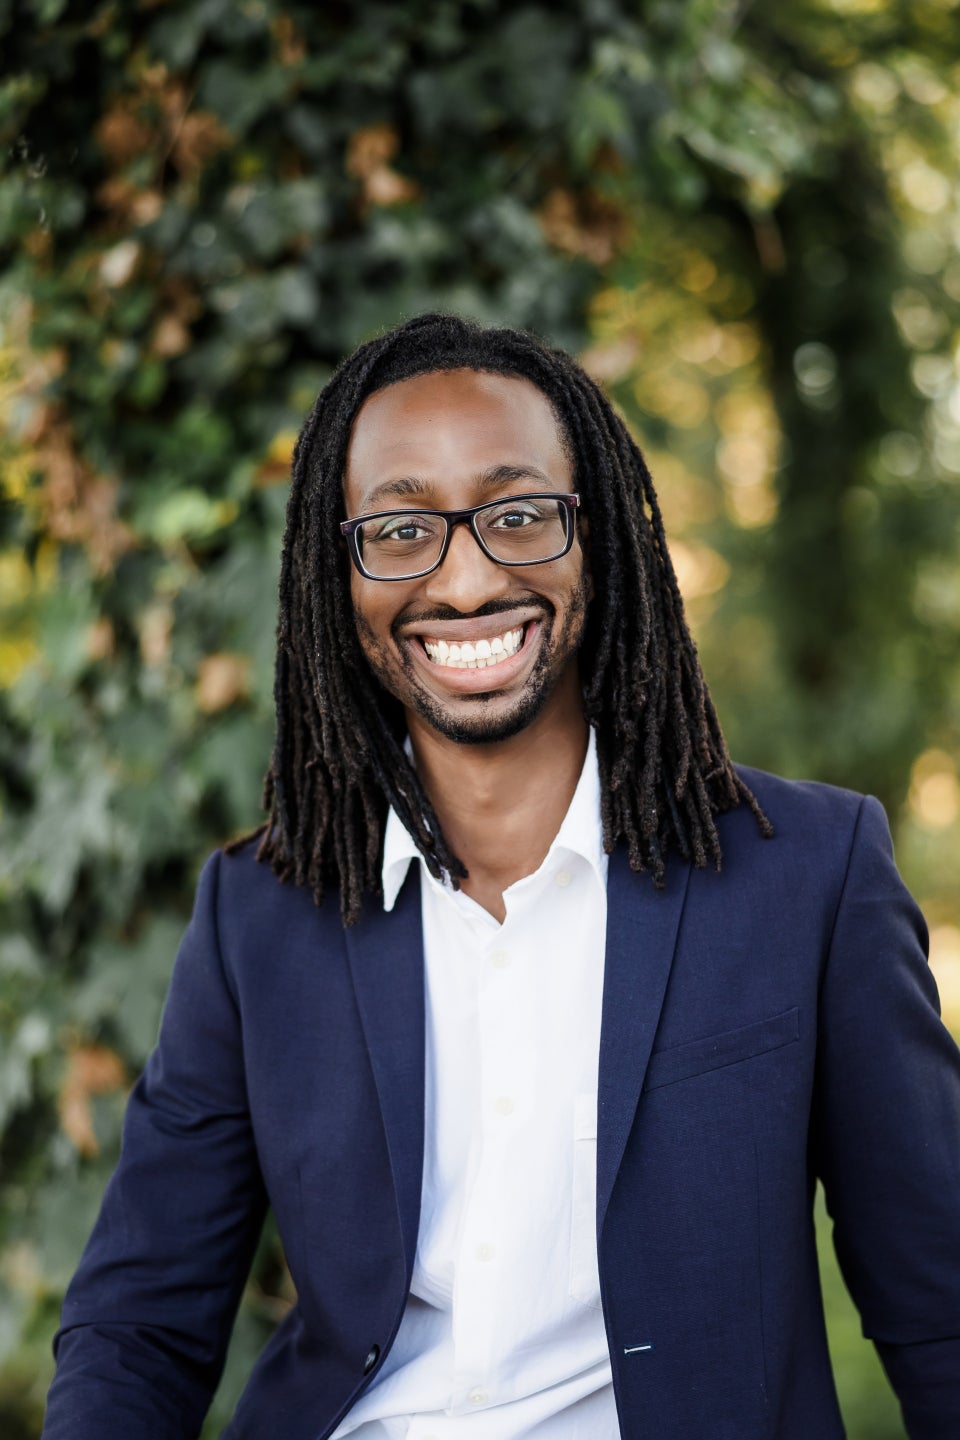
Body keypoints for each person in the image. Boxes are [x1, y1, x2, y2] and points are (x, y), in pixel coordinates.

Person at [43, 313, 960, 1440]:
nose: (468, 580)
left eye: (518, 516)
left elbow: (941, 1304)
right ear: (339, 572)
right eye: (400, 530)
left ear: (595, 539)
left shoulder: (809, 876)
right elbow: (139, 1322)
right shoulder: (258, 917)